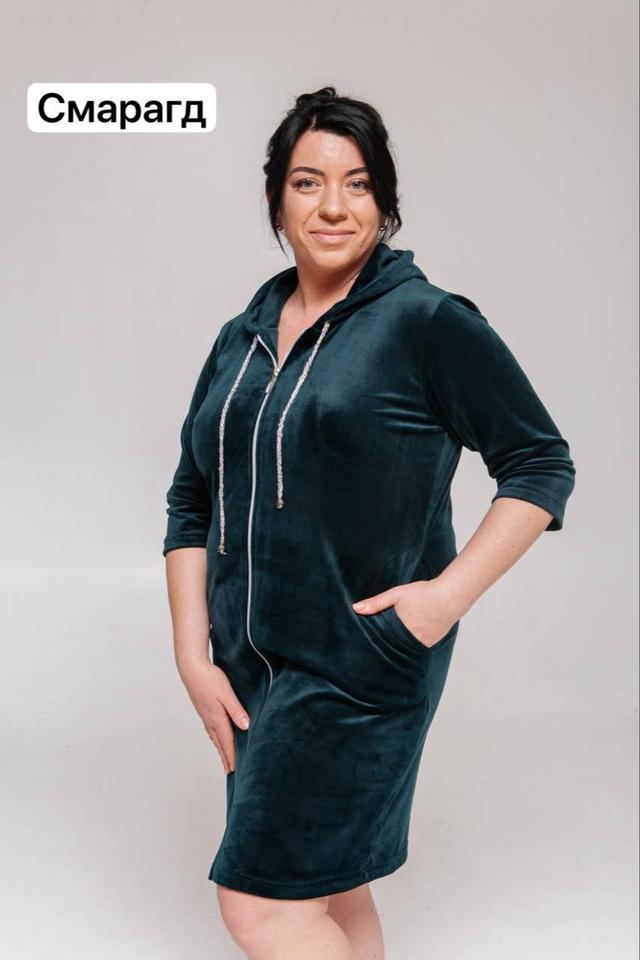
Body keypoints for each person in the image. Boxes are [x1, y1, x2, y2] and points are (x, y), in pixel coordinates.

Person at [162, 86, 576, 960]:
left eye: (357, 183)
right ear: (276, 198)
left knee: (261, 906)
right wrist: (192, 654)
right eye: (308, 182)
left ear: (385, 201)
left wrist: (440, 602)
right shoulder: (242, 336)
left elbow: (540, 464)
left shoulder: (425, 323)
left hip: (357, 661)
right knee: (330, 887)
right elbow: (191, 498)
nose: (333, 206)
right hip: (249, 670)